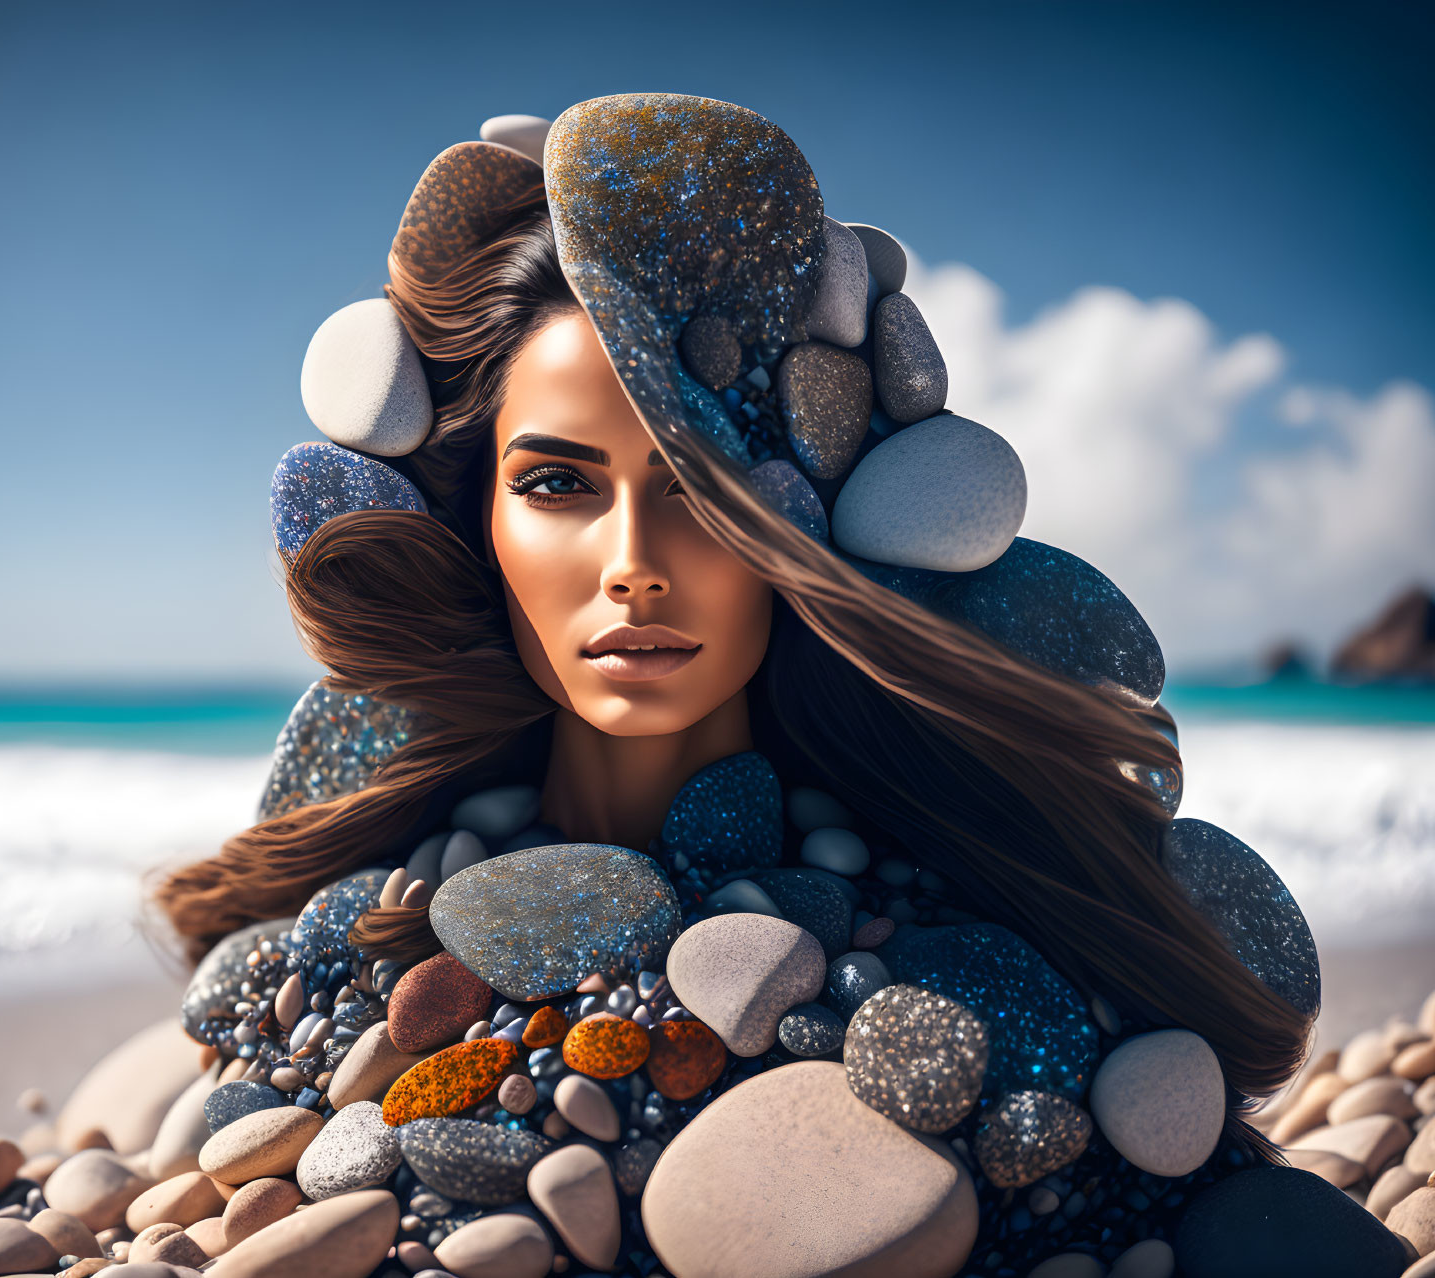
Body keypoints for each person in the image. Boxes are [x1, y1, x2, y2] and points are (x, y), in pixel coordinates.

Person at [150, 94, 1333, 1276]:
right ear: (479, 525)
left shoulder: (959, 952)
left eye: (694, 490)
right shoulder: (354, 949)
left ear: (788, 529)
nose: (632, 568)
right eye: (557, 485)